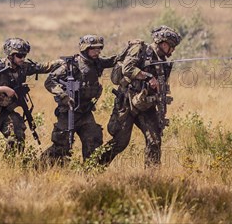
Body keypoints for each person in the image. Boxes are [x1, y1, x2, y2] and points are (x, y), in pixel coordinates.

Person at [98, 25, 182, 168]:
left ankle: (151, 177)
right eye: (171, 47)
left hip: (146, 105)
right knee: (120, 142)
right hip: (127, 103)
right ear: (163, 43)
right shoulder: (140, 49)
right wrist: (148, 76)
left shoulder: (162, 62)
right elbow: (127, 68)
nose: (172, 50)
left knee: (154, 140)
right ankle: (95, 167)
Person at [0, 38, 61, 168]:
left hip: (7, 109)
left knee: (17, 137)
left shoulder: (23, 67)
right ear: (10, 54)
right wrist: (2, 89)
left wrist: (60, 62)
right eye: (19, 55)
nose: (22, 58)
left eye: (24, 55)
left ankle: (9, 168)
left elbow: (42, 67)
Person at [41, 35, 117, 165]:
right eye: (94, 49)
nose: (97, 52)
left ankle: (89, 173)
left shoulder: (97, 62)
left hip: (85, 112)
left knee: (93, 140)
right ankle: (40, 166)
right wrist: (63, 95)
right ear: (85, 49)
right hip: (68, 112)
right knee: (62, 144)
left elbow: (112, 60)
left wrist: (129, 51)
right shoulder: (72, 65)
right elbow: (50, 81)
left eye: (99, 49)